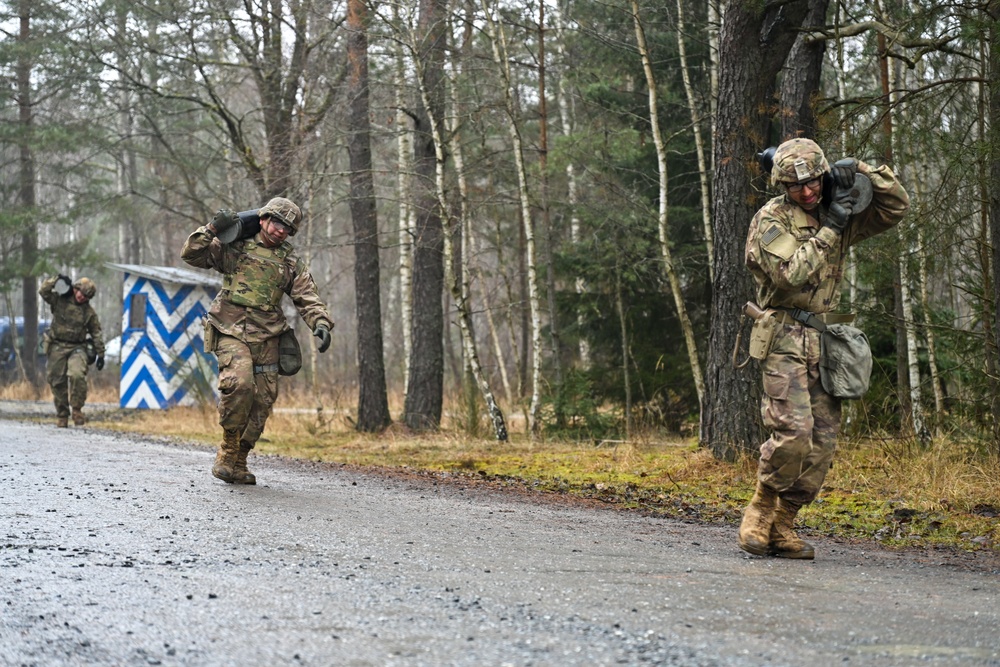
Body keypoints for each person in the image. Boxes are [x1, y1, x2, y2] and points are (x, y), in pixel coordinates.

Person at [740, 138, 910, 559]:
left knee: (822, 441)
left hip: (826, 338)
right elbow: (788, 276)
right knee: (793, 432)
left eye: (814, 181)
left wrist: (865, 172)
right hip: (782, 335)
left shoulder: (835, 207)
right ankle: (761, 508)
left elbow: (896, 208)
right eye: (797, 186)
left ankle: (784, 523)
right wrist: (832, 227)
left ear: (823, 175)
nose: (808, 191)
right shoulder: (771, 219)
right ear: (782, 184)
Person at [181, 197, 334, 485]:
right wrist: (213, 228)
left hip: (268, 334)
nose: (280, 231)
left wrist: (321, 323)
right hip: (229, 328)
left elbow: (307, 296)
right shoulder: (235, 247)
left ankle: (240, 459)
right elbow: (191, 255)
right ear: (263, 220)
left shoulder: (289, 261)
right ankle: (227, 451)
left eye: (287, 228)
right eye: (276, 223)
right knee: (239, 385)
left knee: (263, 399)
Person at [39, 275, 105, 427]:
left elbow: (96, 332)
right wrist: (56, 280)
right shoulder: (60, 300)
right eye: (80, 292)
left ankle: (77, 409)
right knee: (57, 379)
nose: (81, 297)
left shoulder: (88, 312)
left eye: (86, 296)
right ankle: (62, 414)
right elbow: (43, 291)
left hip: (77, 347)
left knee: (77, 375)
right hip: (57, 345)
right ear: (75, 289)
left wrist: (101, 354)